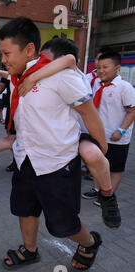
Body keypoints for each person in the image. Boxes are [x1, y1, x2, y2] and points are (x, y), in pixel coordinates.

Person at [0, 17, 106, 271]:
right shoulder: (18, 80)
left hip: (57, 163)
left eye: (6, 53)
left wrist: (101, 151)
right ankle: (30, 250)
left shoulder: (60, 76)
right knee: (25, 208)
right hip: (26, 160)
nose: (4, 60)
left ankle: (89, 243)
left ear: (29, 50)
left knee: (62, 222)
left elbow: (89, 113)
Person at [25, 38, 121, 230]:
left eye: (44, 58)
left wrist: (103, 145)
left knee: (93, 154)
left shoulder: (69, 73)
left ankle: (108, 197)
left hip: (85, 130)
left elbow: (68, 59)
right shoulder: (49, 73)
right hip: (64, 135)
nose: (40, 63)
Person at [85, 50, 135, 227]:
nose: (101, 70)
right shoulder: (97, 84)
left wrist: (121, 130)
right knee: (100, 164)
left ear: (117, 68)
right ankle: (99, 191)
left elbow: (132, 111)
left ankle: (109, 197)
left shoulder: (125, 88)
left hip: (117, 137)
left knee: (115, 169)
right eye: (98, 67)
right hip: (100, 135)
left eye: (105, 67)